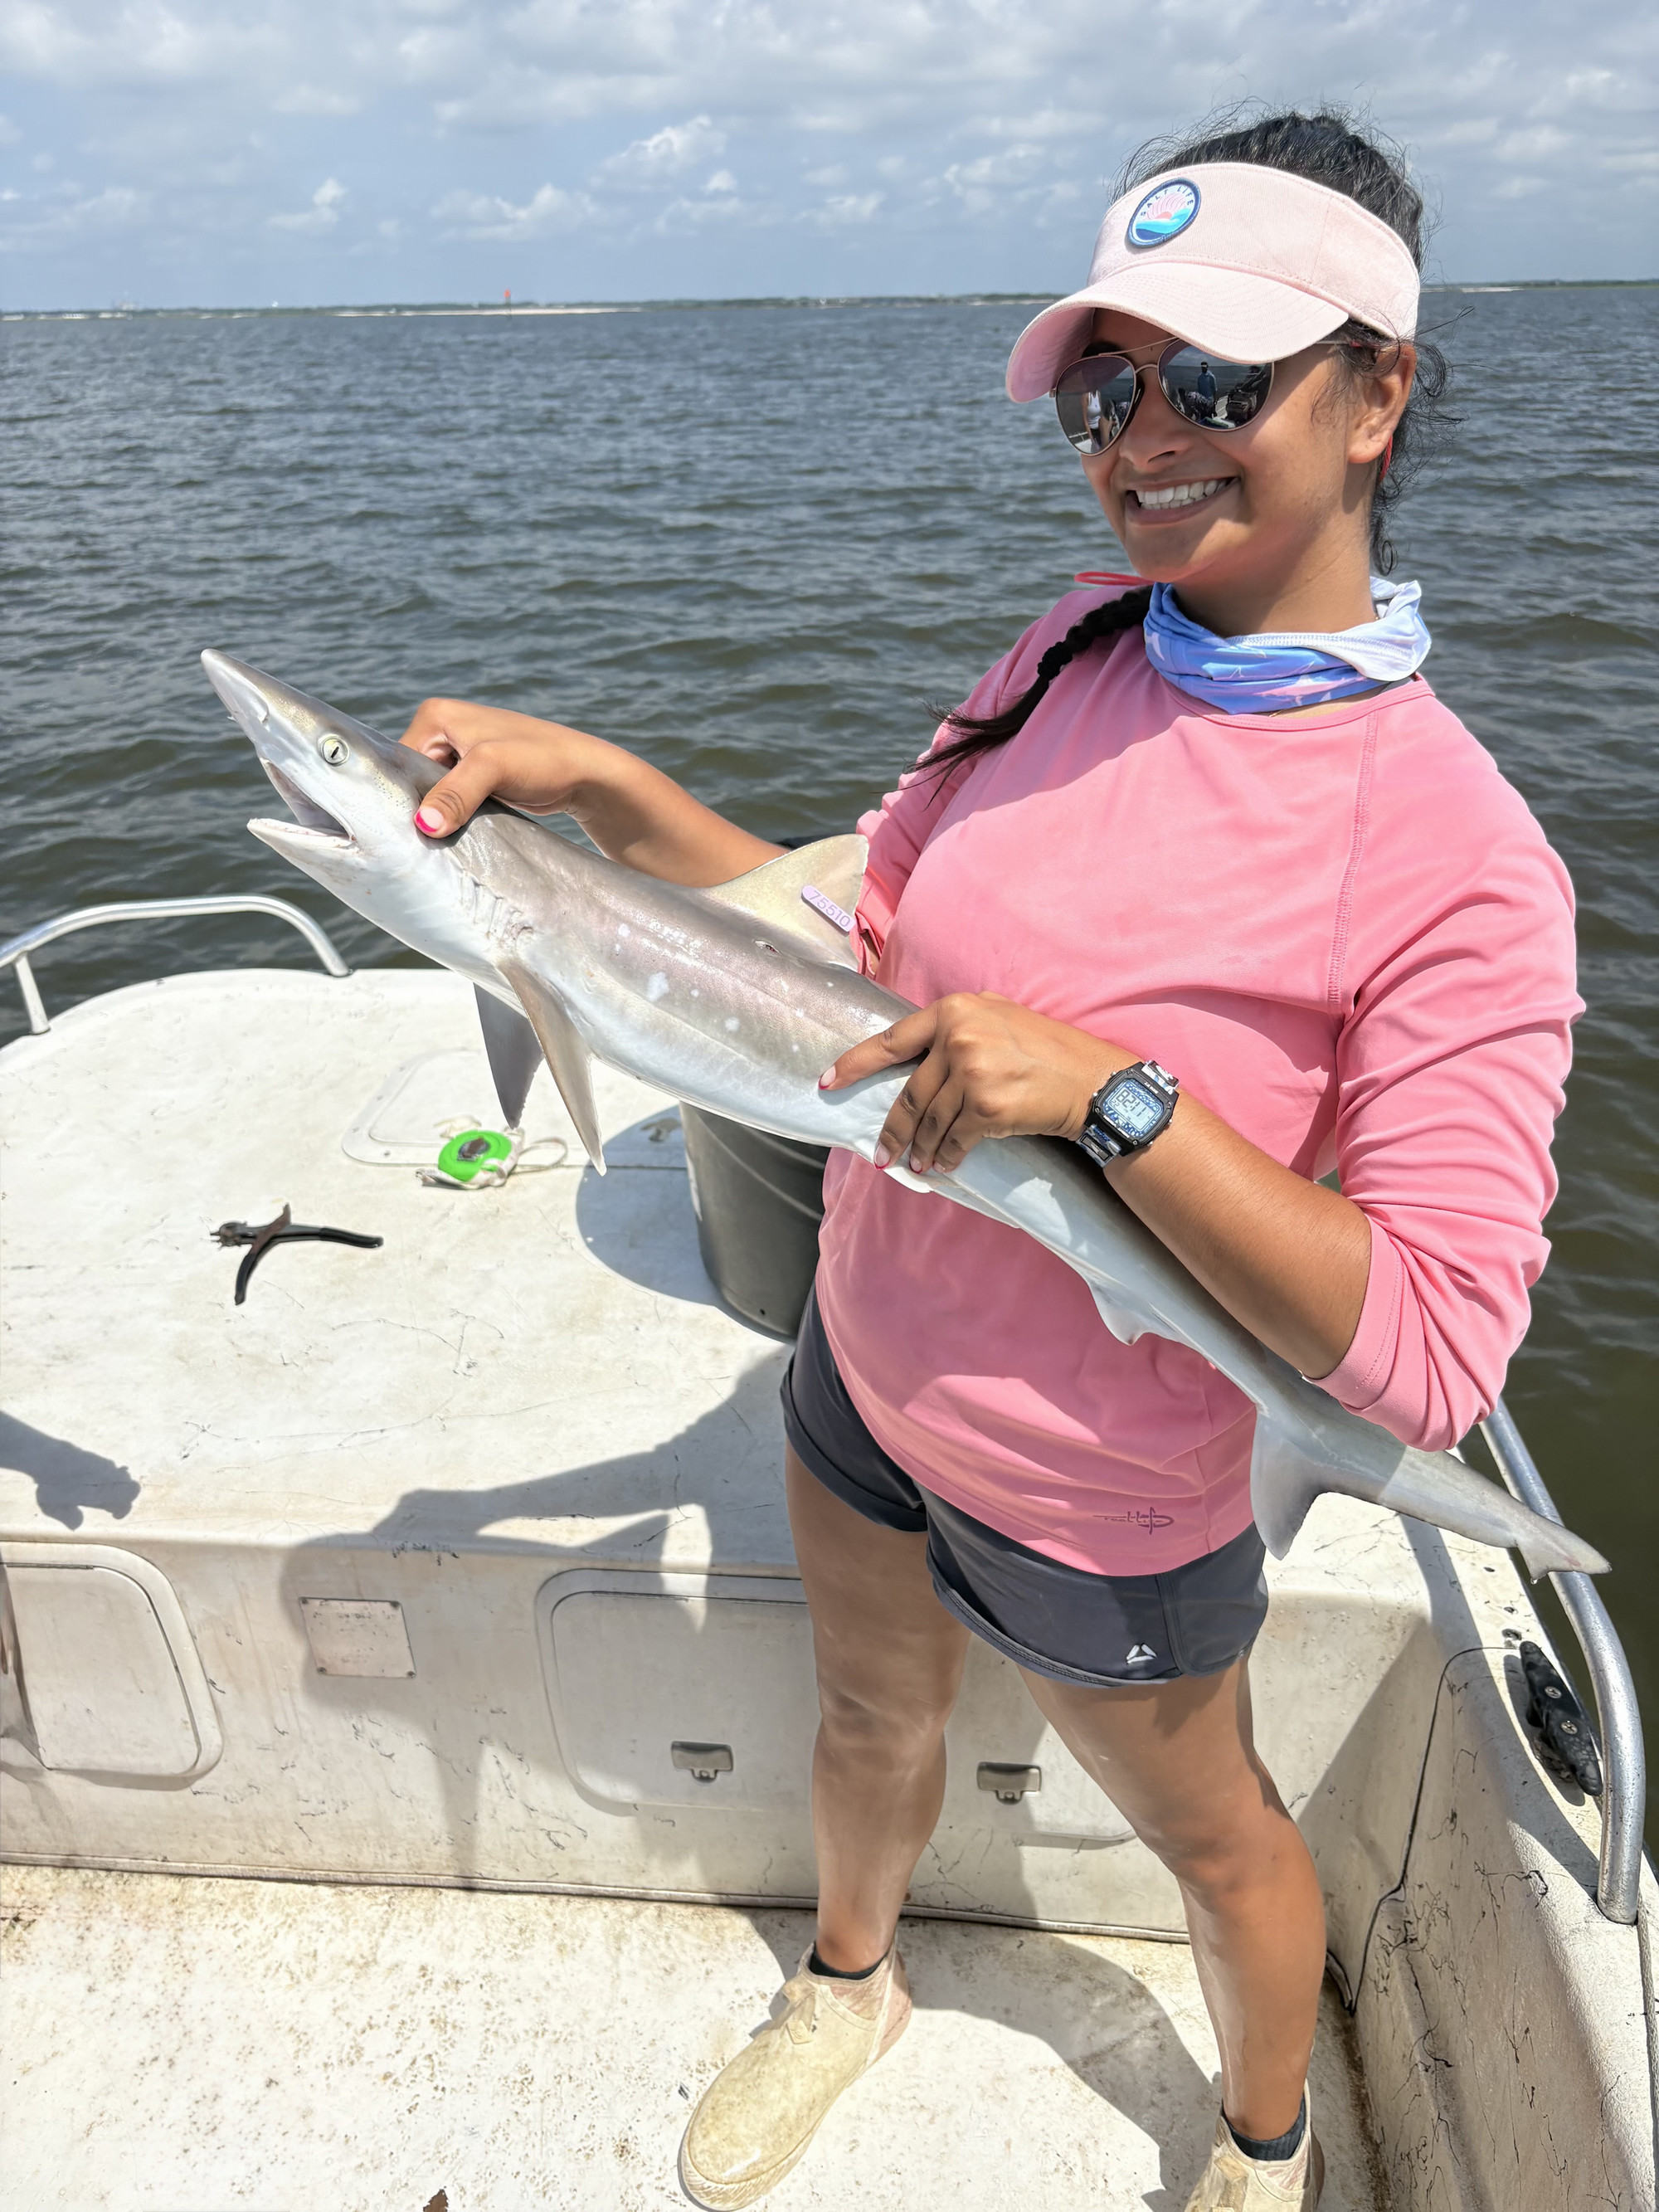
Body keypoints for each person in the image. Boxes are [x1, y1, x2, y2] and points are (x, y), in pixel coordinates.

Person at [397, 110, 1579, 2212]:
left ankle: (1257, 2144)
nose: (1145, 438)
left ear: (1378, 390)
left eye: (1215, 381)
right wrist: (586, 787)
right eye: (1108, 391)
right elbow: (836, 949)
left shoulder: (1460, 860)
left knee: (1215, 1840)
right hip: (864, 1368)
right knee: (861, 1718)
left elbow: (1424, 1346)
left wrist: (1111, 1094)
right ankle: (848, 1986)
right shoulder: (1064, 649)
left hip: (1108, 1495)